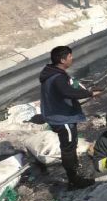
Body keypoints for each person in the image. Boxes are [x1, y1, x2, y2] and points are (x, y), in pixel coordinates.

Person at [39, 45, 101, 190]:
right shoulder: (57, 77)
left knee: (69, 146)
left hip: (58, 116)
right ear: (62, 60)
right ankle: (74, 180)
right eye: (69, 56)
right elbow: (68, 92)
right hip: (62, 118)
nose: (71, 58)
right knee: (68, 149)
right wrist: (90, 93)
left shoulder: (52, 74)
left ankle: (74, 173)